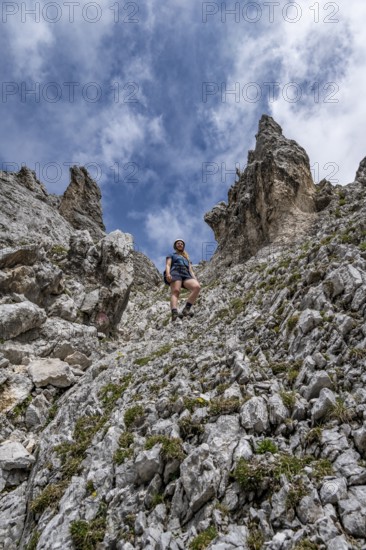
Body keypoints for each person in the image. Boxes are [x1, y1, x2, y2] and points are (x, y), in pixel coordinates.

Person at [165, 239, 201, 322]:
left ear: (183, 246)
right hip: (175, 272)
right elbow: (168, 264)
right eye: (178, 243)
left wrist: (195, 279)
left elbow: (190, 270)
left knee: (197, 287)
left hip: (186, 275)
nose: (180, 244)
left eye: (181, 244)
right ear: (175, 246)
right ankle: (174, 312)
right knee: (176, 291)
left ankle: (186, 309)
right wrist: (168, 274)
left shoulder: (186, 259)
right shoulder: (172, 255)